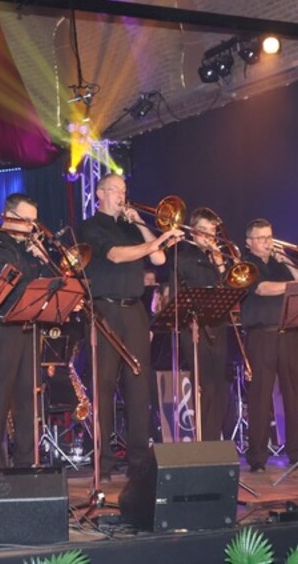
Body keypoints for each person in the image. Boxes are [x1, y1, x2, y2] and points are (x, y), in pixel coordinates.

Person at [78, 174, 182, 482]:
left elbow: (159, 258)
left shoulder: (130, 227)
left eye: (123, 190)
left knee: (139, 385)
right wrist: (156, 241)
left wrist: (140, 224)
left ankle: (139, 459)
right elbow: (115, 255)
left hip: (134, 309)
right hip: (105, 309)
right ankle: (103, 460)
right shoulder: (90, 226)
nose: (121, 195)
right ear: (99, 193)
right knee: (104, 384)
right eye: (115, 190)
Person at [0, 193, 48, 469]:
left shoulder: (29, 248)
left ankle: (27, 463)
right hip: (1, 327)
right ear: (8, 216)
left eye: (33, 221)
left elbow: (48, 284)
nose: (31, 227)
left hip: (28, 327)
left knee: (28, 398)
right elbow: (8, 283)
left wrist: (43, 258)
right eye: (26, 220)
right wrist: (32, 264)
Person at [242, 218, 298, 472]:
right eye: (261, 238)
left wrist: (286, 259)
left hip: (290, 333)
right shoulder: (245, 263)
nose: (267, 242)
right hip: (262, 334)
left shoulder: (280, 263)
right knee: (260, 396)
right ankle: (257, 456)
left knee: (294, 393)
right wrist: (296, 283)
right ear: (249, 242)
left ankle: (296, 451)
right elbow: (263, 289)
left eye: (269, 236)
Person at [167, 207, 232, 441]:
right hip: (193, 326)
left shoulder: (218, 258)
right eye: (203, 230)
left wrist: (220, 263)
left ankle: (214, 437)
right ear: (193, 232)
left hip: (218, 325)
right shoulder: (182, 257)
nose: (208, 235)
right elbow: (177, 294)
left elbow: (230, 289)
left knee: (220, 385)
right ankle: (204, 439)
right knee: (204, 384)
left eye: (212, 230)